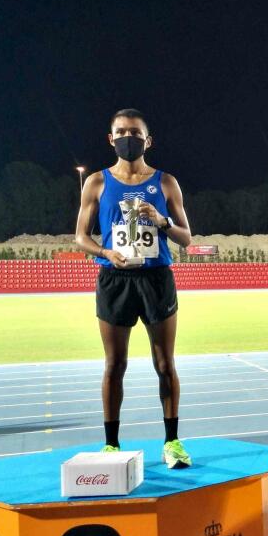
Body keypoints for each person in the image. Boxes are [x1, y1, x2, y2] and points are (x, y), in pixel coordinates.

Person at [74, 108, 194, 468]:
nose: (129, 138)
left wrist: (162, 221)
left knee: (164, 363)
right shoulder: (96, 182)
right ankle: (111, 445)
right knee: (115, 365)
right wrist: (105, 251)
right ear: (111, 139)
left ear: (148, 140)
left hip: (156, 278)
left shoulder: (166, 182)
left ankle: (172, 442)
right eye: (122, 132)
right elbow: (80, 237)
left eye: (136, 133)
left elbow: (186, 238)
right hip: (115, 279)